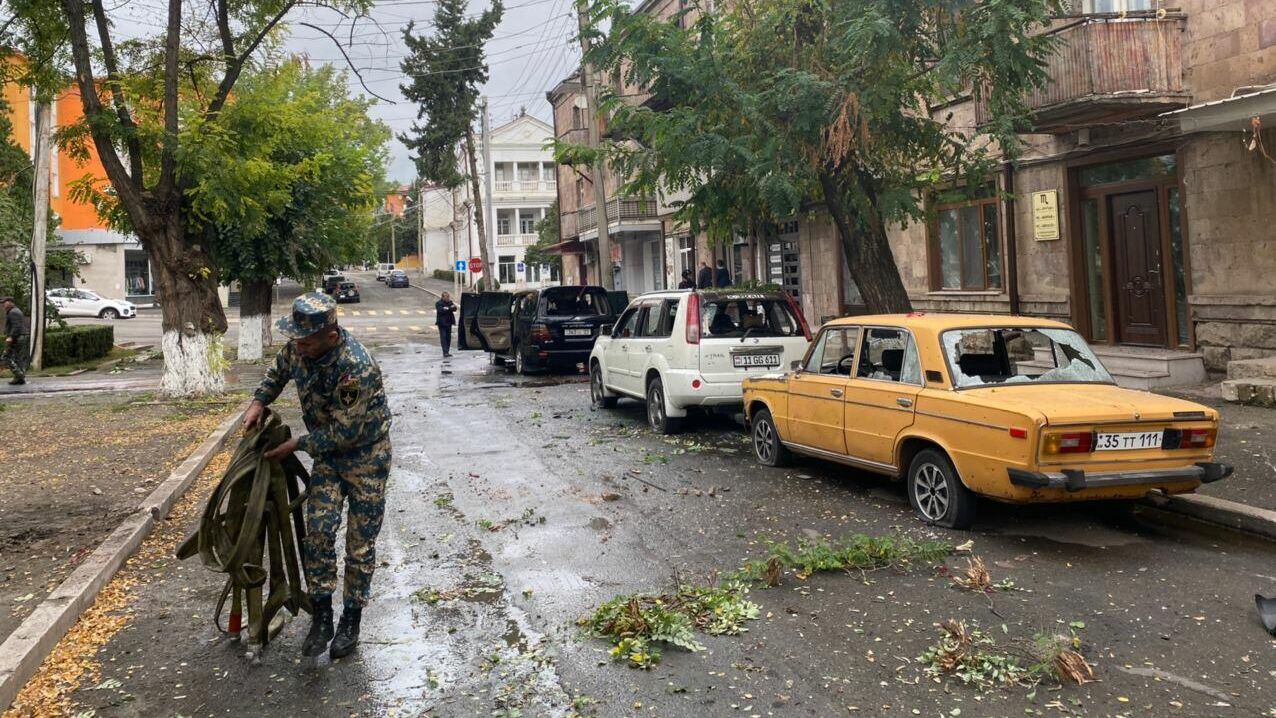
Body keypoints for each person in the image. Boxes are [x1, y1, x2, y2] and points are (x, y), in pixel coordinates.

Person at [244, 292, 392, 660]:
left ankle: (351, 620)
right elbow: (278, 371)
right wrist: (259, 401)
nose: (299, 347)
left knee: (359, 547)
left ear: (330, 334)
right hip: (328, 458)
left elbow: (346, 433)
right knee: (319, 536)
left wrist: (296, 444)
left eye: (306, 342)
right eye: (296, 340)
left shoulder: (354, 367)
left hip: (365, 458)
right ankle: (322, 616)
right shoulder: (300, 347)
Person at [2, 297, 28, 386]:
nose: (3, 305)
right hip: (20, 337)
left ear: (11, 303)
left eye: (5, 302)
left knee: (6, 356)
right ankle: (19, 378)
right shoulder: (15, 311)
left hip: (17, 337)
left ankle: (19, 375)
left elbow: (16, 326)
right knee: (18, 358)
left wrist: (10, 337)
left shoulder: (13, 312)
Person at [435, 291, 458, 357]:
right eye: (446, 297)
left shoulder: (450, 302)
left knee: (448, 337)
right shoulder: (438, 303)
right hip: (442, 323)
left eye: (448, 297)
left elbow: (455, 308)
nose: (448, 298)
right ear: (442, 297)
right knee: (443, 337)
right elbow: (441, 310)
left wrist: (447, 308)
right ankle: (445, 352)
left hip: (449, 322)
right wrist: (449, 308)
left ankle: (447, 351)